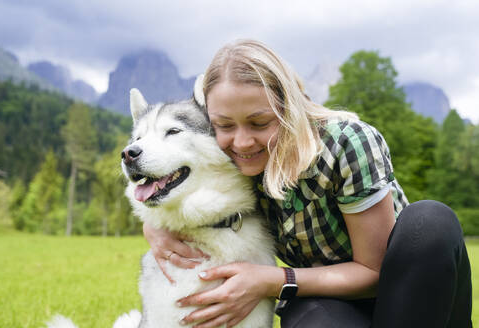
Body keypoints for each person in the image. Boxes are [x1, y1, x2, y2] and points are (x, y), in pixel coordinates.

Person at [143, 39, 472, 328]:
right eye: (224, 125)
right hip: (324, 302)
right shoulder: (233, 164)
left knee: (431, 221)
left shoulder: (347, 144)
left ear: (289, 109)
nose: (242, 142)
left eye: (259, 122)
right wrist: (156, 224)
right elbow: (173, 176)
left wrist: (272, 280)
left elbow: (374, 272)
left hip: (415, 298)